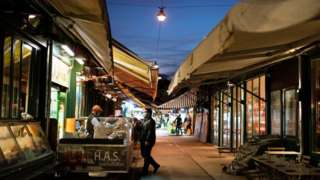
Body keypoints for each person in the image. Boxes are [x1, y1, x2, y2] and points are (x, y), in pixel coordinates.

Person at [140, 108, 160, 175]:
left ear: (149, 113)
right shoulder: (144, 120)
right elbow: (141, 129)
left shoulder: (151, 121)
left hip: (148, 141)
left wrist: (147, 140)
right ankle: (155, 165)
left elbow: (150, 132)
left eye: (145, 112)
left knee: (146, 155)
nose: (144, 113)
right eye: (144, 112)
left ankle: (145, 170)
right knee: (144, 154)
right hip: (143, 140)